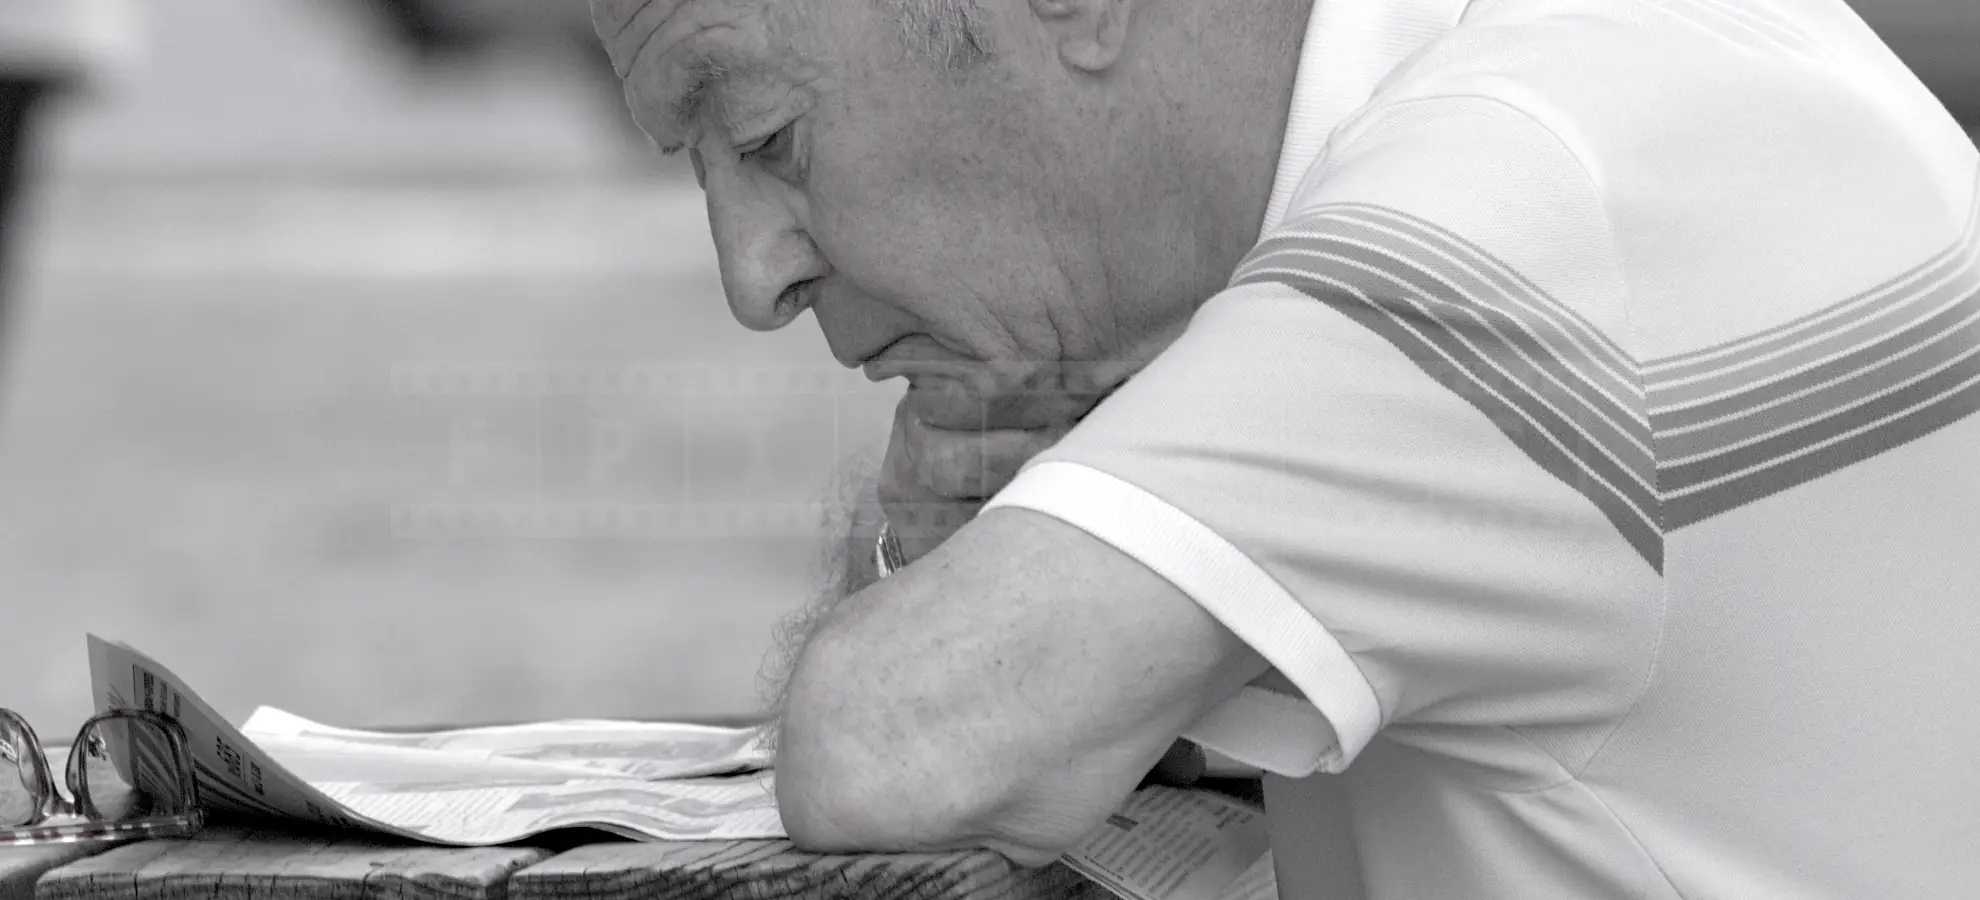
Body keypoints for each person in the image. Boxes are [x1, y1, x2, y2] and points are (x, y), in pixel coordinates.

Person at [594, 0, 1980, 895]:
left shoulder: (1519, 202)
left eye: (767, 136)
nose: (750, 276)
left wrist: (938, 558)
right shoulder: (1622, 69)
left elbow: (901, 743)